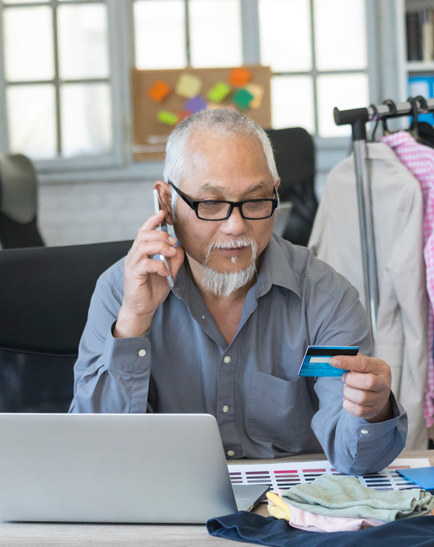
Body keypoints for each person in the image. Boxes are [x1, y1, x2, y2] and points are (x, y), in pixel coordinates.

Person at [70, 109, 407, 474]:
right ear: (166, 203)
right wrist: (134, 321)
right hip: (167, 501)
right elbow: (94, 449)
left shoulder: (325, 297)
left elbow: (355, 460)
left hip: (291, 510)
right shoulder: (120, 292)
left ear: (276, 193)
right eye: (211, 204)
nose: (236, 225)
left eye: (256, 201)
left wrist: (372, 413)